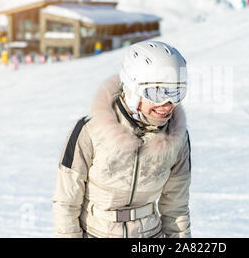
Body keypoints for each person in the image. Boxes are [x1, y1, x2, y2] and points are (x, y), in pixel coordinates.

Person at [53, 40, 191, 238]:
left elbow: (176, 208)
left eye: (176, 92)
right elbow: (66, 202)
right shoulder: (90, 131)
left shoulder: (177, 137)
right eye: (156, 92)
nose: (168, 104)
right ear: (133, 89)